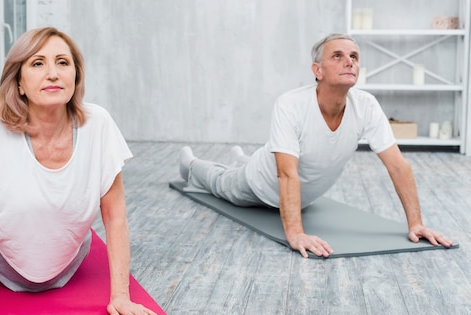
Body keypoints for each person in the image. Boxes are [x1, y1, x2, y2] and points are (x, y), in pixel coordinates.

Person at [0, 27, 159, 315]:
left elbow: (114, 216)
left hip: (68, 262)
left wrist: (121, 297)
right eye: (37, 64)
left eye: (62, 62)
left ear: (75, 76)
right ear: (18, 82)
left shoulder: (98, 123)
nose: (52, 73)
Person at [179, 33, 453, 258]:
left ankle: (241, 157)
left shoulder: (366, 105)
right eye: (338, 56)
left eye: (354, 57)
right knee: (221, 182)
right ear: (317, 70)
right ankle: (191, 164)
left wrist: (416, 223)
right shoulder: (291, 103)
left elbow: (398, 165)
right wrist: (295, 233)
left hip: (302, 198)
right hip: (260, 185)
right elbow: (286, 173)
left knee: (253, 162)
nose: (349, 62)